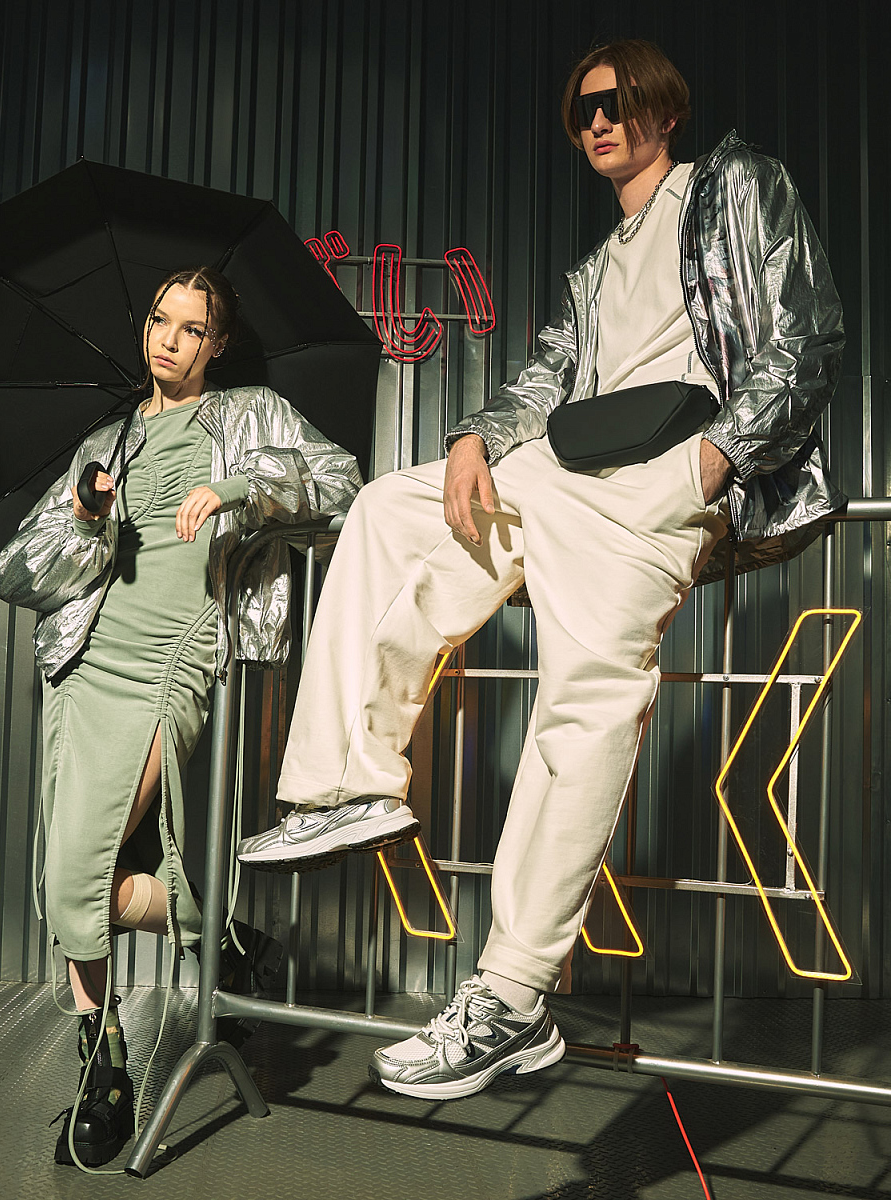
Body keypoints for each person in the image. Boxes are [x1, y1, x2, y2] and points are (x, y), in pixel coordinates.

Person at [237, 38, 845, 1100]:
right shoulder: (596, 269)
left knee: (585, 702)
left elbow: (805, 336)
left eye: (618, 101)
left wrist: (712, 463)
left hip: (665, 482)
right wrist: (476, 435)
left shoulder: (734, 187)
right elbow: (546, 375)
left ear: (665, 109)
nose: (599, 121)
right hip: (564, 471)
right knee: (389, 510)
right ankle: (347, 785)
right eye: (583, 110)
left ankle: (511, 996)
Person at [0, 267, 362, 1164]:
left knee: (79, 869)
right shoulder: (107, 442)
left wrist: (239, 491)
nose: (170, 338)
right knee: (66, 879)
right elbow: (21, 571)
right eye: (161, 320)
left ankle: (119, 1060)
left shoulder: (248, 415)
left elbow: (344, 481)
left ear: (217, 344)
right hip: (86, 663)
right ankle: (150, 1012)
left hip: (172, 657)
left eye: (193, 328)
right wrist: (84, 514)